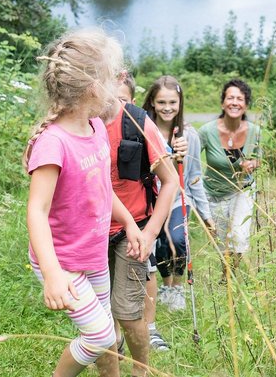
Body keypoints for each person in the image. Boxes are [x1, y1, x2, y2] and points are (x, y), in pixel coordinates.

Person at [23, 28, 147, 377]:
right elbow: (36, 211)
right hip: (62, 262)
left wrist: (131, 224)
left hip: (93, 257)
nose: (119, 83)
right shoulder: (54, 143)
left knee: (103, 328)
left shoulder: (94, 127)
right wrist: (51, 275)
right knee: (101, 335)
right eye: (114, 77)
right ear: (93, 87)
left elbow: (102, 191)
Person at [106, 73, 179, 376]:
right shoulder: (77, 121)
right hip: (90, 232)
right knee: (99, 315)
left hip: (132, 231)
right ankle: (110, 369)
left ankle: (141, 369)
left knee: (127, 310)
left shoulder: (137, 123)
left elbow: (171, 180)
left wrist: (149, 234)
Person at [143, 76, 215, 312]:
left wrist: (205, 214)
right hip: (151, 200)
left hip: (177, 200)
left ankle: (177, 286)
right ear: (152, 102)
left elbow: (194, 177)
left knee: (177, 241)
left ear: (180, 103)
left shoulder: (188, 135)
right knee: (161, 245)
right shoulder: (144, 130)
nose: (167, 108)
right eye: (161, 102)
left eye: (173, 102)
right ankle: (166, 286)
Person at [198, 79, 260, 280]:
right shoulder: (207, 131)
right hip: (214, 193)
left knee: (239, 237)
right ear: (223, 103)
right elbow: (189, 158)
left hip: (243, 189)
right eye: (230, 97)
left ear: (246, 105)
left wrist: (253, 164)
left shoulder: (254, 131)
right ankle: (224, 270)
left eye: (240, 99)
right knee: (222, 240)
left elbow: (260, 158)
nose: (235, 102)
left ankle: (228, 277)